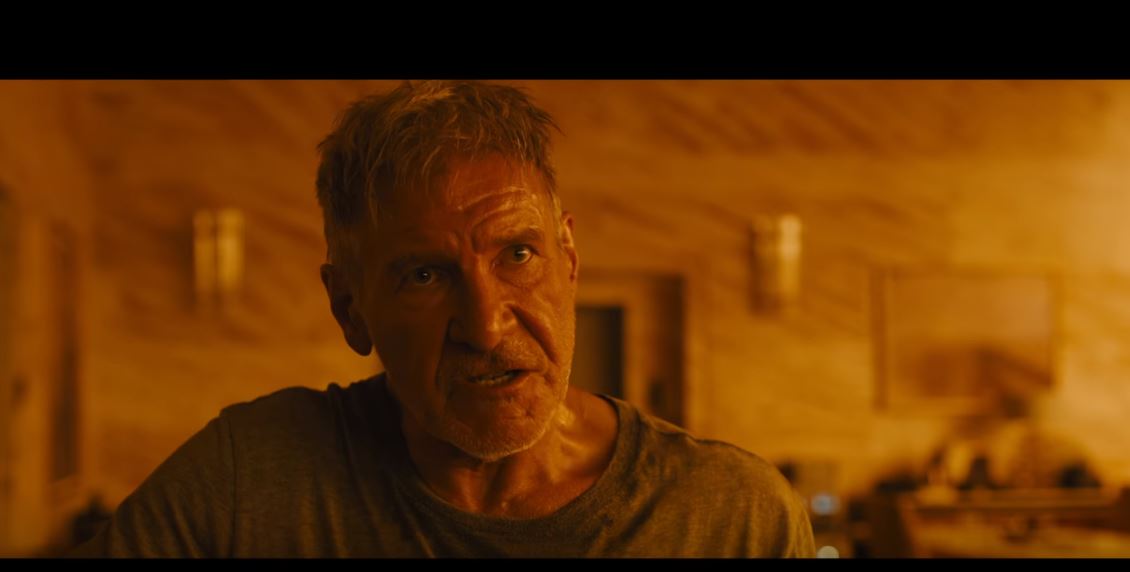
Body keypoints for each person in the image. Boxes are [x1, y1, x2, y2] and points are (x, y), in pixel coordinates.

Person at [70, 80, 815, 557]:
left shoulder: (730, 519)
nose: (485, 326)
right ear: (349, 307)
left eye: (517, 254)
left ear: (569, 258)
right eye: (425, 276)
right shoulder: (251, 482)